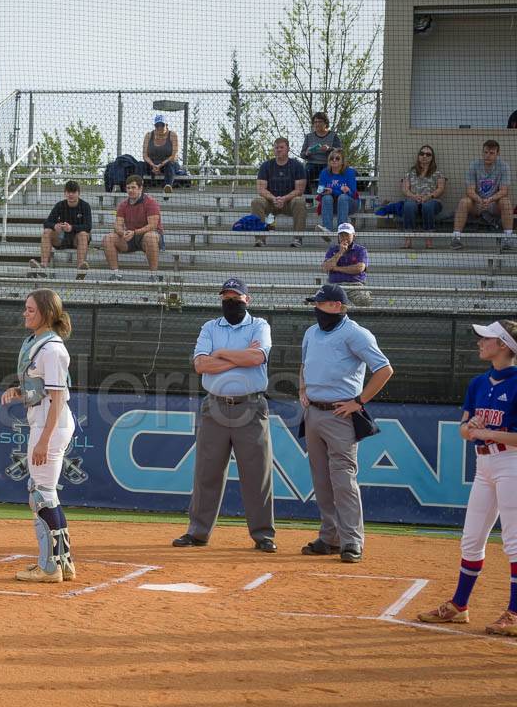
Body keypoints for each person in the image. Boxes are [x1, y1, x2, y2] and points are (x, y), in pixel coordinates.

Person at [416, 321, 517, 636]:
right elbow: (463, 429)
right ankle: (459, 606)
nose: (479, 342)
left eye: (486, 338)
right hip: (484, 464)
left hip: (511, 463)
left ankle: (514, 612)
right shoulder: (478, 382)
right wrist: (472, 427)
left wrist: (482, 430)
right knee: (471, 540)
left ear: (502, 344)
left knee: (514, 542)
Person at [173, 278, 276, 552]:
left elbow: (257, 359)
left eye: (236, 297)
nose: (230, 302)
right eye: (226, 298)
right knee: (207, 472)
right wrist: (239, 356)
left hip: (250, 406)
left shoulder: (259, 325)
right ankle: (198, 532)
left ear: (247, 300)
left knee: (257, 473)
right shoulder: (209, 327)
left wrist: (220, 354)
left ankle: (263, 535)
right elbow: (200, 364)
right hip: (214, 406)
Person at [298, 284, 393, 563]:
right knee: (322, 480)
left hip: (340, 414)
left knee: (343, 480)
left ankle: (352, 541)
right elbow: (304, 364)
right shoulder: (311, 332)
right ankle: (330, 537)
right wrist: (302, 389)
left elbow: (384, 369)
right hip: (313, 412)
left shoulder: (356, 333)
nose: (316, 309)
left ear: (337, 306)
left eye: (321, 304)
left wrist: (359, 401)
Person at [1, 288, 77, 582]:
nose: (25, 313)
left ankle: (49, 567)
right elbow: (42, 389)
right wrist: (19, 393)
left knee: (41, 495)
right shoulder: (39, 344)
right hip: (45, 419)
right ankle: (64, 562)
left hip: (51, 424)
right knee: (46, 493)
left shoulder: (53, 349)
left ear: (45, 313)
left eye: (31, 309)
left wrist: (44, 441)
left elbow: (57, 398)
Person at [451, 140, 514, 251]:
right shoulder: (474, 165)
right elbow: (469, 190)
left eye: (491, 153)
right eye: (485, 152)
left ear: (497, 154)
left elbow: (504, 191)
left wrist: (490, 199)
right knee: (464, 201)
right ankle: (456, 237)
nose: (487, 155)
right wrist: (479, 200)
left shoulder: (504, 166)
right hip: (477, 203)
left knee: (506, 202)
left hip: (494, 203)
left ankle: (508, 238)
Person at [101, 175, 163, 277]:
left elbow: (153, 225)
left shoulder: (151, 202)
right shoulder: (123, 205)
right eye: (128, 188)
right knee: (108, 238)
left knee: (150, 236)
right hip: (131, 237)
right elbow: (117, 225)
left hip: (150, 237)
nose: (130, 190)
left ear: (140, 188)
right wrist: (122, 232)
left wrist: (134, 232)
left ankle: (154, 276)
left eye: (133, 187)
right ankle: (115, 275)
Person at [251, 138, 308, 248]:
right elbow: (261, 189)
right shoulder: (266, 166)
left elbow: (299, 190)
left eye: (282, 147)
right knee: (256, 201)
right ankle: (260, 239)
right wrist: (274, 199)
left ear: (288, 149)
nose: (279, 150)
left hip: (289, 203)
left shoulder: (297, 166)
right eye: (276, 147)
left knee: (300, 201)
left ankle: (297, 238)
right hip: (271, 202)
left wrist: (284, 199)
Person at [30, 181, 92, 280]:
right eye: (68, 192)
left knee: (83, 234)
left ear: (78, 193)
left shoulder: (85, 206)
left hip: (77, 240)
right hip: (62, 239)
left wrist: (72, 228)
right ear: (65, 193)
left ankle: (81, 269)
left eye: (73, 192)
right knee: (47, 232)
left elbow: (88, 226)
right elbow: (46, 223)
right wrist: (55, 226)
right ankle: (43, 266)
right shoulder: (60, 205)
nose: (70, 194)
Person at [400, 145, 446, 249]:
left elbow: (441, 188)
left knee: (428, 206)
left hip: (432, 201)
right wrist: (414, 196)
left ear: (432, 157)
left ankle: (429, 240)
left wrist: (429, 196)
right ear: (418, 156)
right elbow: (405, 189)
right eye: (422, 153)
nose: (424, 156)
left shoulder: (437, 173)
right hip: (414, 200)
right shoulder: (410, 173)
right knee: (408, 206)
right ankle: (408, 240)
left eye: (428, 154)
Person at [321, 223, 370, 306]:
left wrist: (336, 268)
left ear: (353, 236)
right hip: (333, 285)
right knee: (315, 302)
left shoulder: (361, 250)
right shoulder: (332, 249)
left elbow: (359, 268)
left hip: (355, 285)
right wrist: (340, 252)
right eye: (341, 235)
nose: (344, 238)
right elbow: (325, 268)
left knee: (365, 302)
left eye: (347, 235)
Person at [317, 151, 359, 234]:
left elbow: (352, 193)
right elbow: (319, 190)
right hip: (332, 205)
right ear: (329, 161)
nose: (334, 160)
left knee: (343, 197)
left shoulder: (350, 172)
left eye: (337, 158)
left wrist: (333, 191)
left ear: (342, 161)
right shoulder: (324, 172)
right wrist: (324, 191)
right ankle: (327, 230)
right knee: (326, 197)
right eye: (331, 158)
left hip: (350, 204)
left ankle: (342, 230)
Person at [300, 111, 342, 193]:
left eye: (320, 122)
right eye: (315, 122)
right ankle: (309, 200)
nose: (317, 124)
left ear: (326, 123)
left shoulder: (333, 135)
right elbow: (302, 154)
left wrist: (329, 149)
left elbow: (340, 151)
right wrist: (307, 153)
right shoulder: (309, 136)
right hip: (312, 164)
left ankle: (323, 197)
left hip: (328, 164)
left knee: (326, 175)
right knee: (303, 174)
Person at [142, 114, 180, 195]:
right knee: (139, 165)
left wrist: (160, 165)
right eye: (157, 125)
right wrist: (153, 165)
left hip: (168, 163)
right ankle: (138, 186)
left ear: (166, 125)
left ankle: (167, 187)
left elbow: (174, 156)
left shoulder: (172, 135)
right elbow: (145, 155)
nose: (159, 127)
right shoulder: (148, 135)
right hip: (152, 164)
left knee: (170, 165)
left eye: (162, 125)